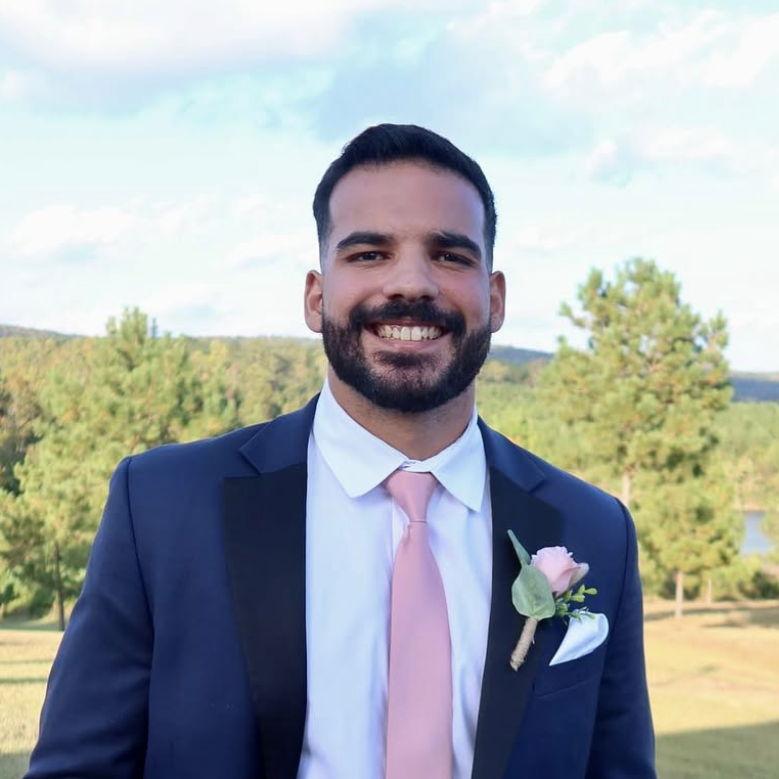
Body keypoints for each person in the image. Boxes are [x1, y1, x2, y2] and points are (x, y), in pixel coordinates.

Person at [26, 124, 655, 779]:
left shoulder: (594, 529)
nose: (411, 283)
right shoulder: (162, 506)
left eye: (448, 256)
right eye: (369, 253)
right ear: (315, 296)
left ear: (494, 299)